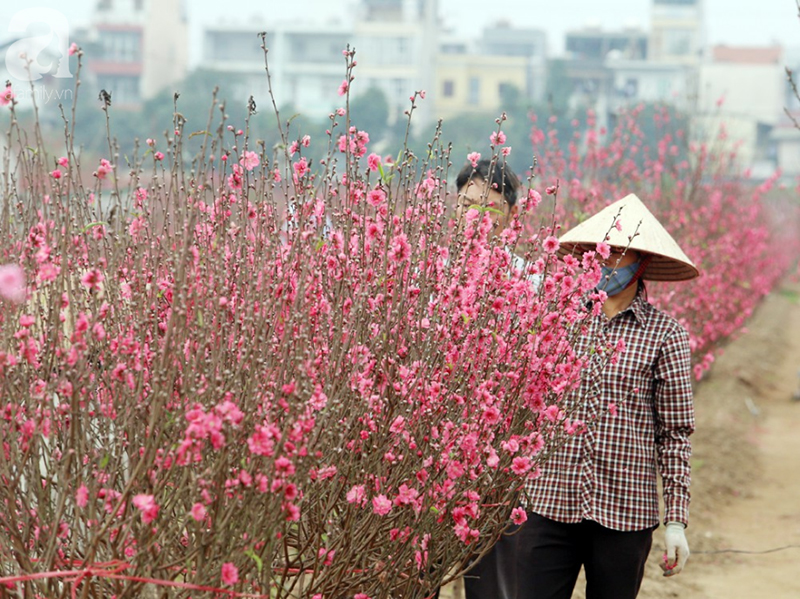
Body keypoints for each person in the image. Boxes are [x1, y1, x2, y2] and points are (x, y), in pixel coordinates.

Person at [491, 192, 698, 599]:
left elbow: (675, 433)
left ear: (643, 263)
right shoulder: (554, 318)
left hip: (625, 510)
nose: (606, 263)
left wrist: (676, 520)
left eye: (619, 254)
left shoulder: (665, 335)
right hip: (549, 501)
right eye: (599, 251)